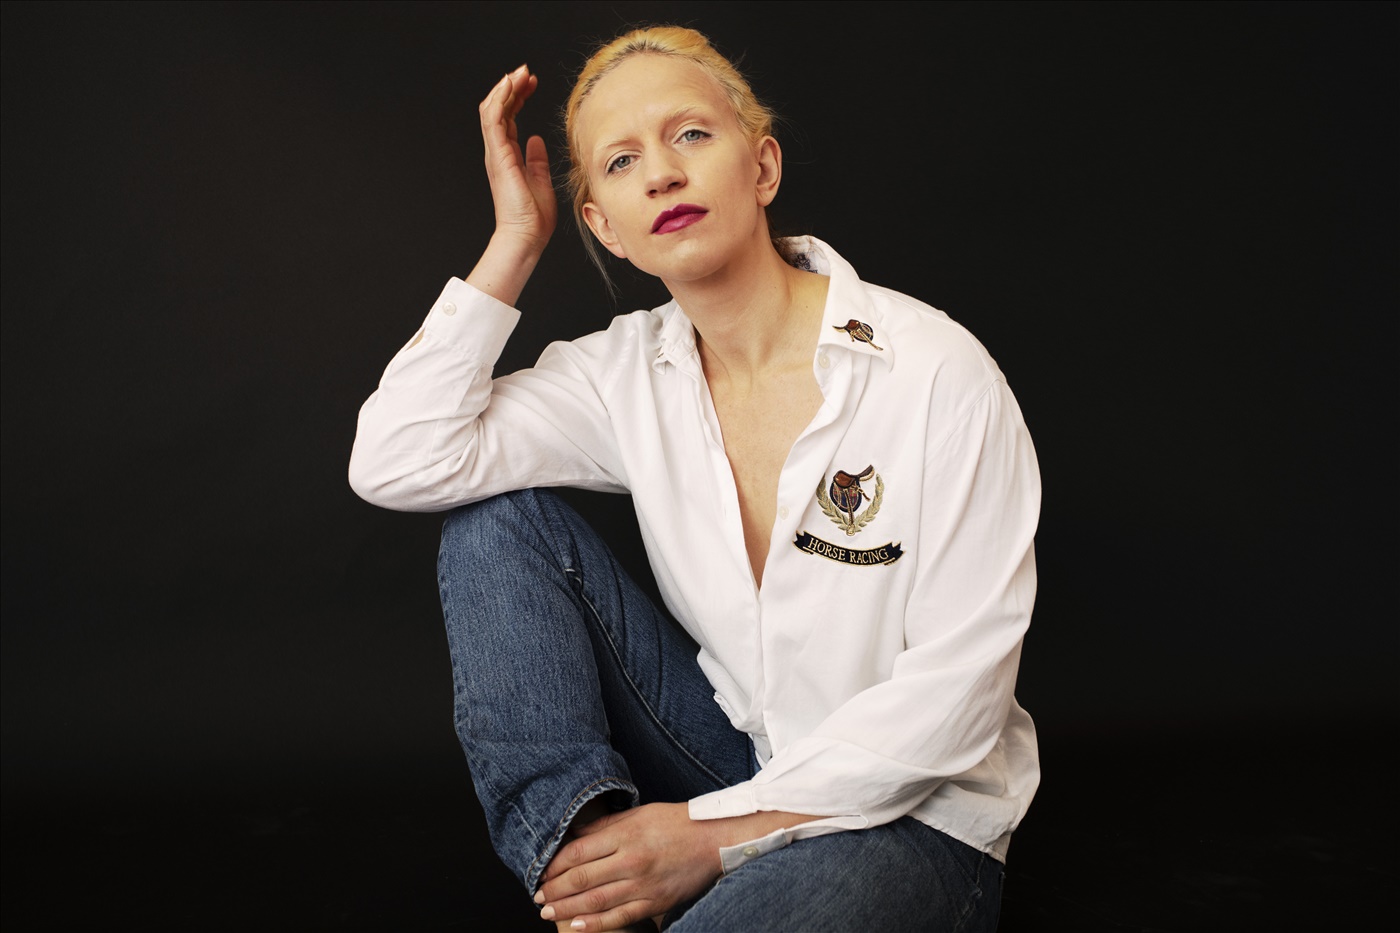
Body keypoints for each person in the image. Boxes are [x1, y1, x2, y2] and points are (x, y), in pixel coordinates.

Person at [349, 25, 1039, 933]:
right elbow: (400, 457)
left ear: (763, 168)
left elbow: (959, 701)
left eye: (691, 135)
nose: (661, 175)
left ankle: (659, 881)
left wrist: (708, 838)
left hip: (913, 820)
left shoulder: (936, 372)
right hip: (736, 759)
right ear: (604, 224)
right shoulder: (627, 374)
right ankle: (591, 882)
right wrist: (516, 239)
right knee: (494, 521)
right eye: (621, 161)